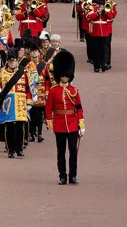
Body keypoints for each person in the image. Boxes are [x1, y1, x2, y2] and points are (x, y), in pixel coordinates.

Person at [45, 50, 84, 185]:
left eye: (67, 75)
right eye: (63, 75)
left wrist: (81, 125)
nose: (65, 78)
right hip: (59, 124)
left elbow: (79, 108)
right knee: (60, 152)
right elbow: (48, 109)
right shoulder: (53, 91)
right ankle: (62, 175)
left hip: (73, 124)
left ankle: (73, 175)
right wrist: (50, 123)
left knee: (73, 150)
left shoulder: (74, 91)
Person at [0, 50, 32, 158]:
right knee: (9, 128)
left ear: (17, 61)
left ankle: (19, 149)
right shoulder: (2, 74)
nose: (12, 63)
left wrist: (29, 102)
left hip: (21, 103)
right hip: (8, 105)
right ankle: (10, 149)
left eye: (14, 61)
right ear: (7, 62)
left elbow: (29, 89)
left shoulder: (24, 72)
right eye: (10, 61)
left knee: (20, 127)